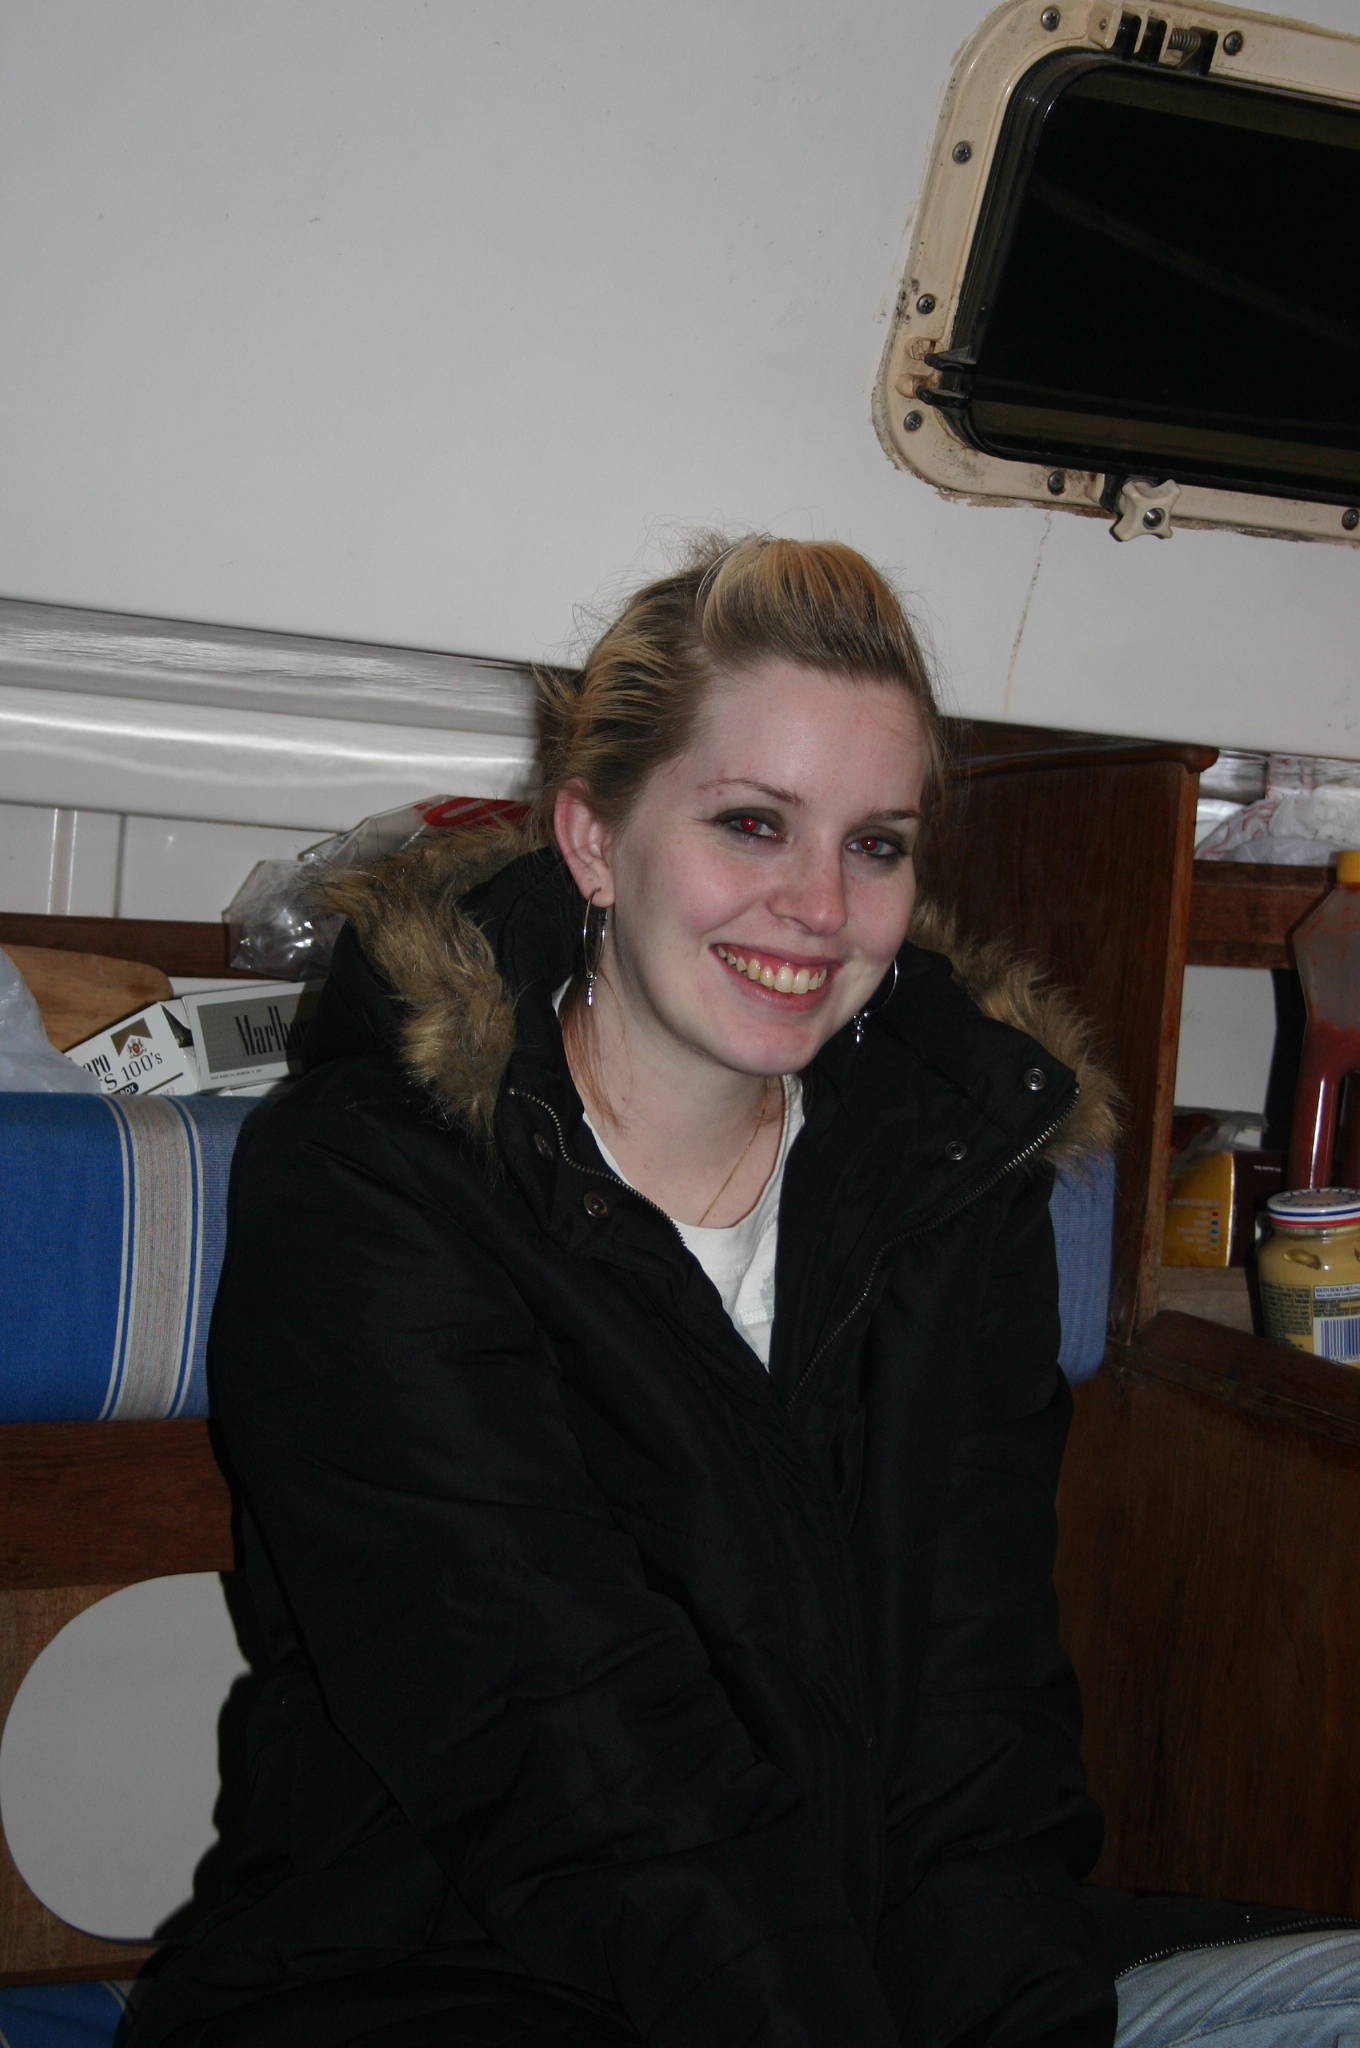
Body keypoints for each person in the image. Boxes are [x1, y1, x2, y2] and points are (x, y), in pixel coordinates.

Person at [128, 536, 1359, 2048]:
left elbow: (978, 1732)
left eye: (877, 844)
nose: (819, 906)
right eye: (753, 824)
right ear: (592, 841)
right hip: (452, 1978)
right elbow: (573, 1759)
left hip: (874, 1977)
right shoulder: (380, 1189)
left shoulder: (955, 1184)